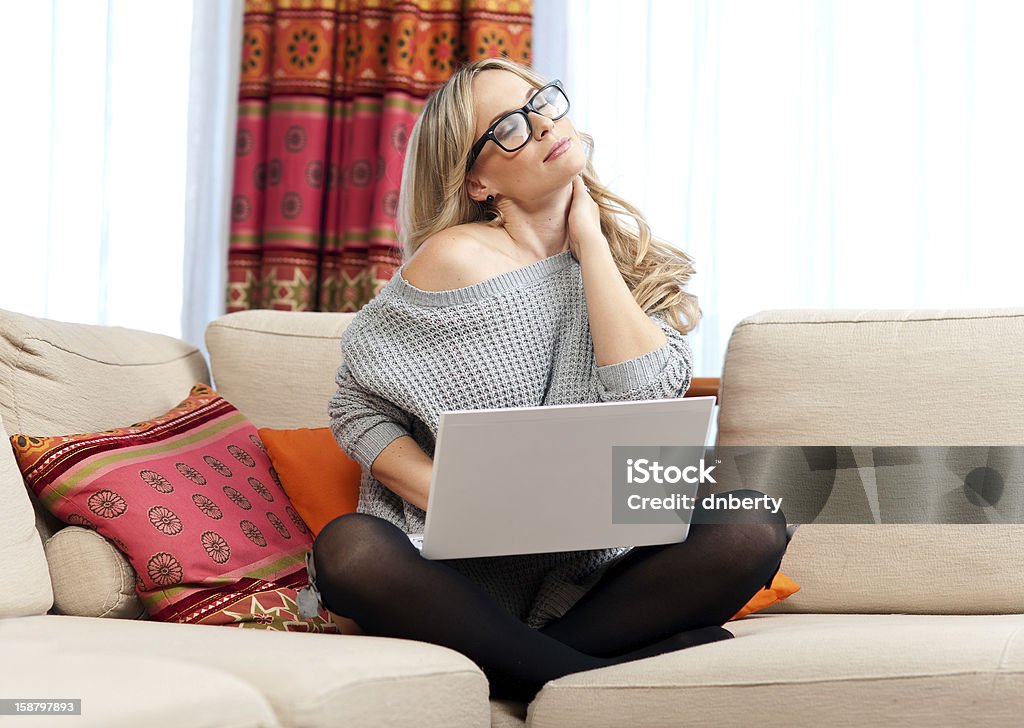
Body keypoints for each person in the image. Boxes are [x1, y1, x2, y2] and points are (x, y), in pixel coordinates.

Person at [302, 57, 789, 702]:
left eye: (541, 103)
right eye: (506, 126)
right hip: (456, 579)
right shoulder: (454, 259)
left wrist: (589, 244)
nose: (537, 125)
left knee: (753, 521)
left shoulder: (626, 266)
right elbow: (358, 406)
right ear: (477, 181)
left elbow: (642, 399)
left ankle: (536, 667)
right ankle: (587, 679)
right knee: (348, 550)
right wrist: (446, 493)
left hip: (593, 575)